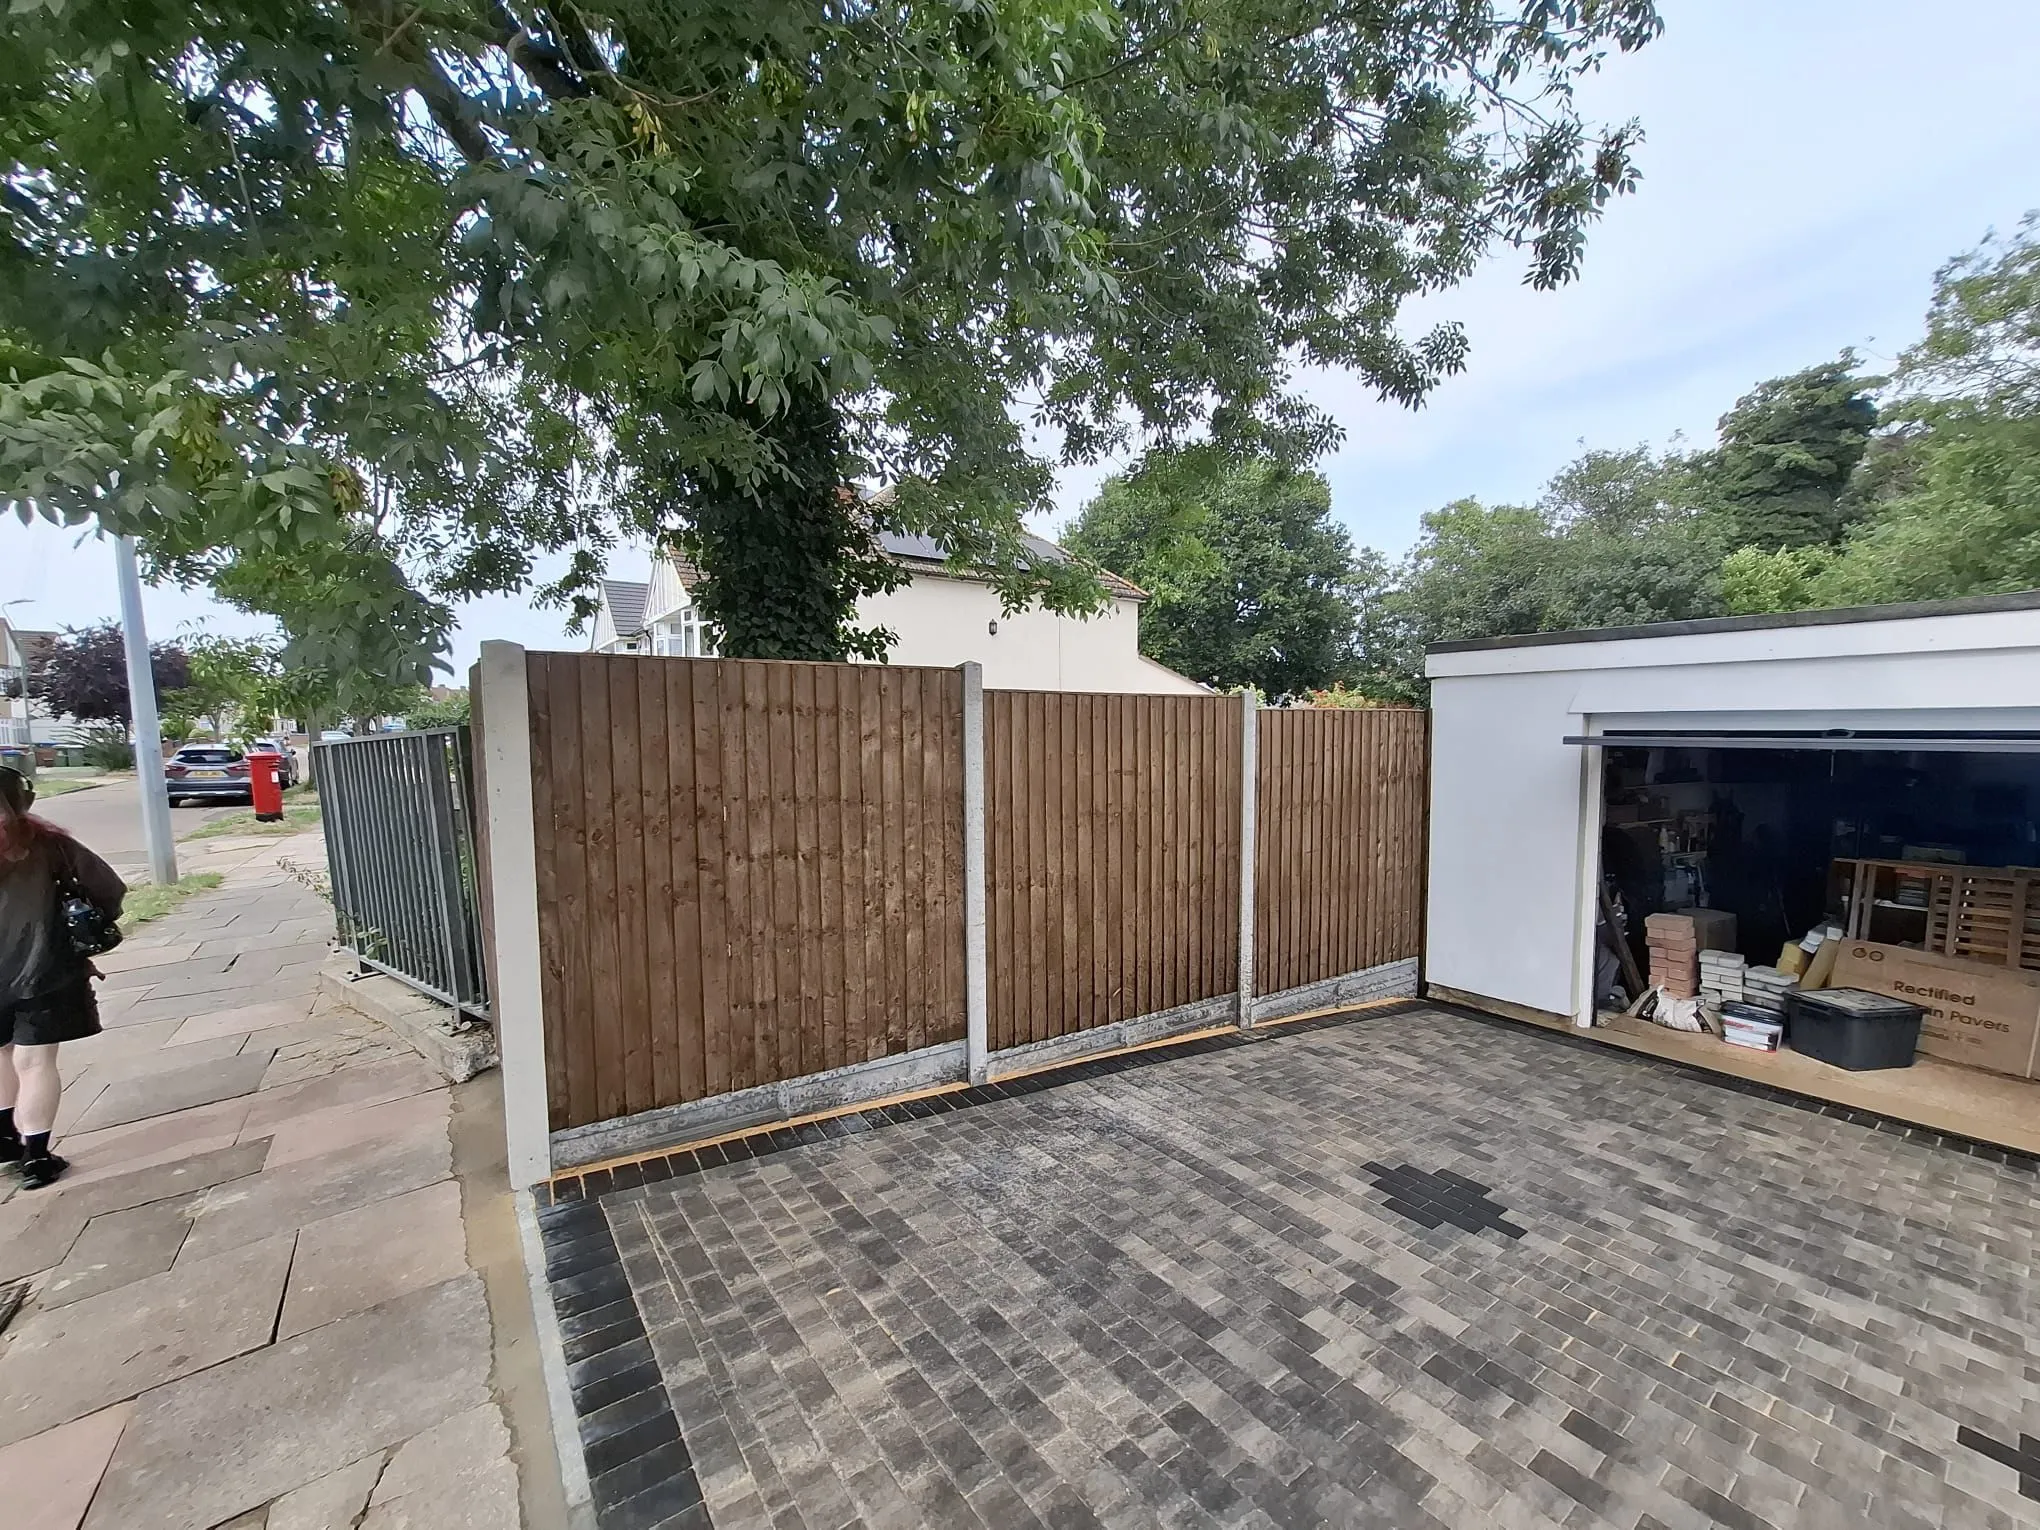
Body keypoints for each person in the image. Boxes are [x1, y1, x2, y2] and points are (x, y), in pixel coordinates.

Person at [0, 765, 126, 1189]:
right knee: (34, 1062)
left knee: (0, 1054)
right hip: (43, 971)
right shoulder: (49, 845)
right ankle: (36, 1158)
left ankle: (4, 1140)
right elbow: (108, 889)